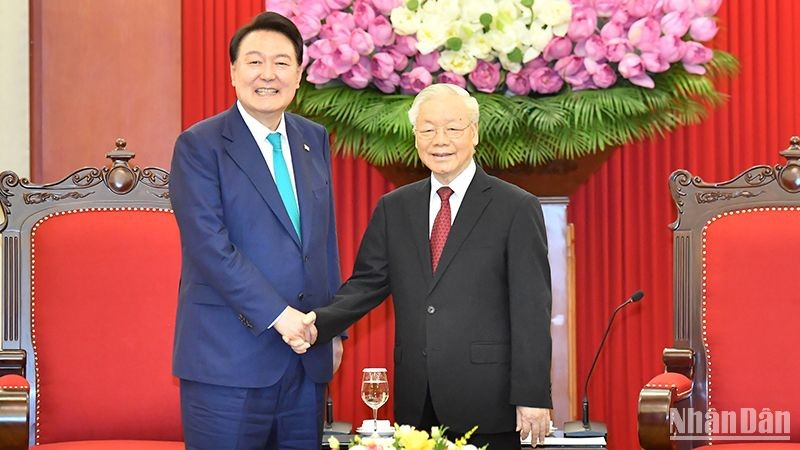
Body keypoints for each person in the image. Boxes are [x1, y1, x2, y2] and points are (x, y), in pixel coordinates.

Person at [297, 83, 553, 449]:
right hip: (417, 401)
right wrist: (315, 325)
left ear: (474, 133)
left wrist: (532, 394)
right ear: (416, 138)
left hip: (489, 401)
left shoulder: (515, 206)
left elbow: (532, 307)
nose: (440, 140)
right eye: (428, 129)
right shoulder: (394, 208)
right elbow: (366, 285)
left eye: (453, 128)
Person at [169, 11, 343, 450]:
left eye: (282, 63)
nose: (269, 74)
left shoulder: (313, 137)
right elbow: (211, 248)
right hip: (228, 362)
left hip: (306, 360)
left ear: (300, 75)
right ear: (233, 72)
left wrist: (334, 329)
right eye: (254, 62)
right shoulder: (199, 144)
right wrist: (281, 317)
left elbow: (322, 245)